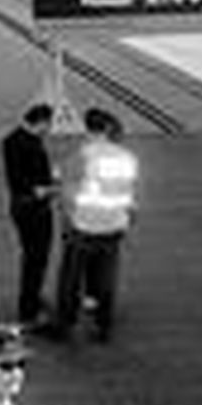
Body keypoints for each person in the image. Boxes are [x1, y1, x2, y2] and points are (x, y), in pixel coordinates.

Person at [50, 108, 139, 343]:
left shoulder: (82, 156)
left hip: (84, 226)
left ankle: (65, 325)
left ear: (86, 128)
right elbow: (129, 193)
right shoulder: (127, 156)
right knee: (106, 279)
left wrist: (66, 222)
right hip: (114, 226)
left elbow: (65, 192)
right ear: (108, 128)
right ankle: (104, 325)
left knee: (71, 279)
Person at [1, 104, 57, 327]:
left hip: (21, 206)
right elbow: (20, 180)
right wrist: (47, 189)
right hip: (33, 208)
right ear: (41, 122)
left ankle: (32, 297)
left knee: (31, 257)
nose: (50, 129)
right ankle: (28, 309)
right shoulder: (28, 144)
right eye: (49, 124)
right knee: (37, 258)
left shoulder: (12, 139)